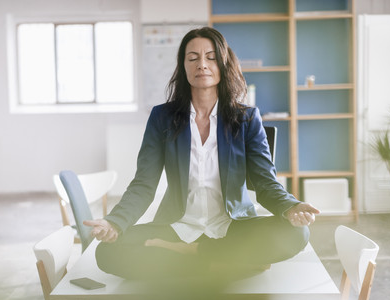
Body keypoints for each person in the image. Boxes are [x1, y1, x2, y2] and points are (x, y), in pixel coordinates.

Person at [83, 27, 319, 281]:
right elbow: (144, 184)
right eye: (193, 58)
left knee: (297, 235)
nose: (202, 65)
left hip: (233, 226)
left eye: (211, 57)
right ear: (183, 66)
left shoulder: (247, 118)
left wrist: (290, 207)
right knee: (107, 253)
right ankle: (225, 263)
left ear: (223, 63)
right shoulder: (162, 117)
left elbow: (265, 183)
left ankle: (188, 258)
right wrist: (115, 222)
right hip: (177, 226)